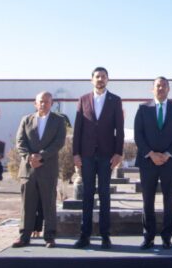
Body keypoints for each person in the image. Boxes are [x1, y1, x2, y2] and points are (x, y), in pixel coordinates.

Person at [72, 67, 125, 249]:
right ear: (91, 80)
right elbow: (78, 128)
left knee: (104, 194)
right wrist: (75, 153)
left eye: (103, 76)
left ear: (108, 79)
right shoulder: (83, 99)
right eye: (97, 76)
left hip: (106, 156)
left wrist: (118, 153)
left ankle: (105, 235)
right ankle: (84, 235)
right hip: (86, 155)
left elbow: (119, 129)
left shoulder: (115, 100)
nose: (100, 79)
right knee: (87, 195)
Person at [134, 76, 172, 250]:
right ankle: (148, 237)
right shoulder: (143, 109)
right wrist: (151, 154)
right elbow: (138, 135)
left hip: (169, 162)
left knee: (169, 201)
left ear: (168, 89)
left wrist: (167, 154)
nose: (161, 88)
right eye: (158, 85)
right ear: (152, 89)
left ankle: (167, 237)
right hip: (148, 162)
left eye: (164, 85)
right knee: (147, 201)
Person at [11, 91, 67, 248]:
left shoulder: (58, 121)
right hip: (28, 169)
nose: (43, 104)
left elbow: (59, 142)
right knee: (27, 205)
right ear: (35, 103)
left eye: (47, 101)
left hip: (48, 169)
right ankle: (24, 236)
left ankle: (49, 236)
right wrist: (29, 157)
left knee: (49, 204)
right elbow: (20, 141)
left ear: (52, 104)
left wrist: (41, 156)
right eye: (41, 101)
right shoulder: (26, 120)